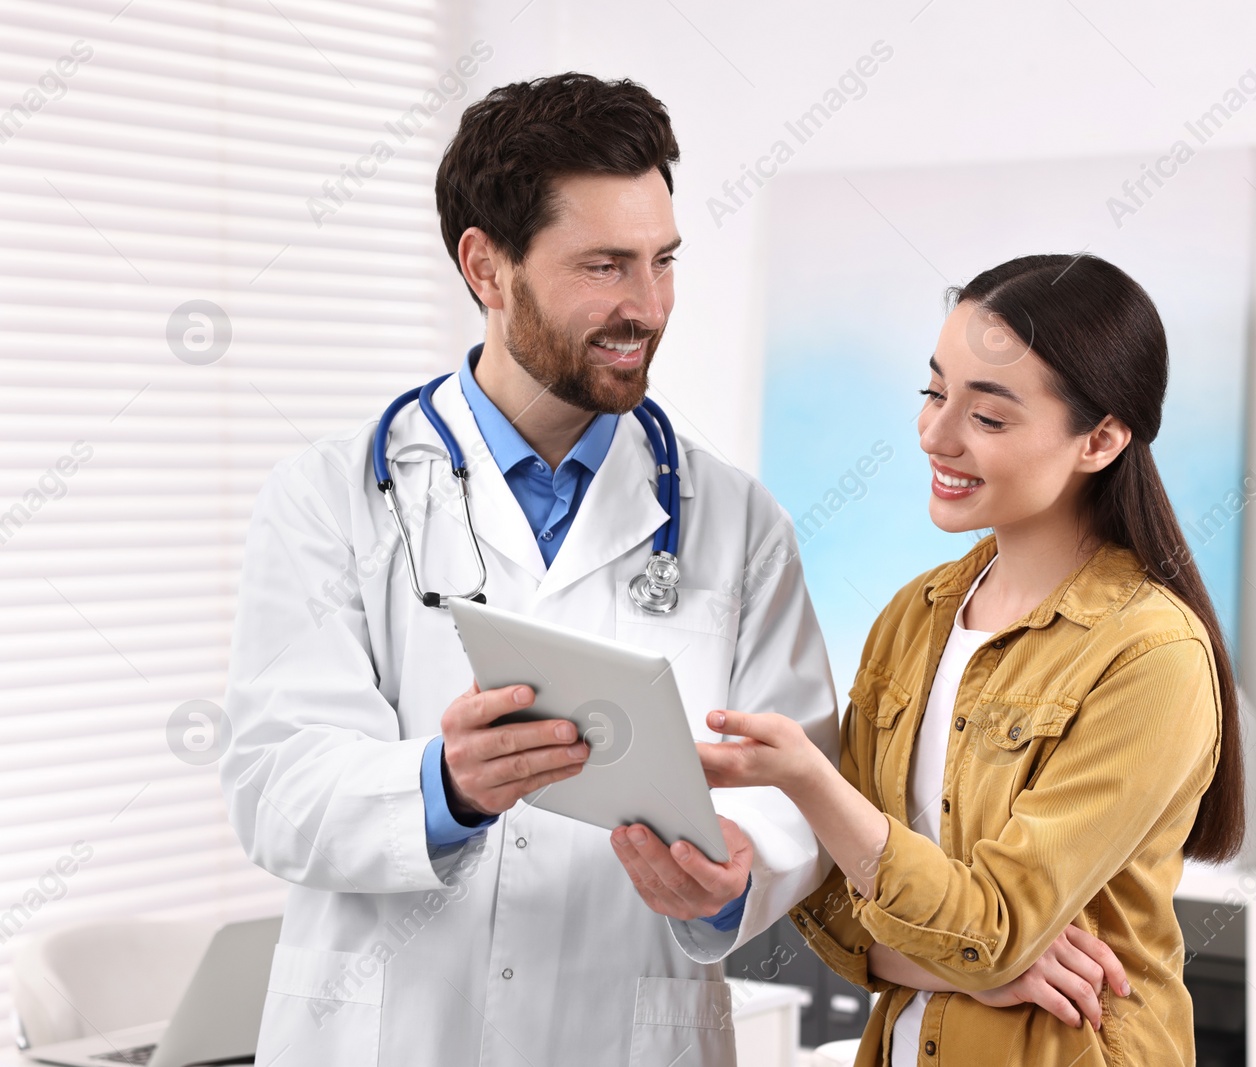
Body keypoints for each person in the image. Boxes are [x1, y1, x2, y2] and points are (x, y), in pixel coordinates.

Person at [220, 74, 841, 1067]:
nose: (647, 306)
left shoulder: (735, 522)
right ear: (486, 266)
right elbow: (275, 781)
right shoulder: (331, 498)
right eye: (604, 266)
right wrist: (441, 782)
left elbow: (799, 776)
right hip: (389, 1033)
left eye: (663, 262)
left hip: (627, 1031)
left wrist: (739, 868)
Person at [698, 253, 1247, 1066]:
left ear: (1100, 439)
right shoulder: (914, 617)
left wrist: (805, 780)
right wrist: (963, 962)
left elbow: (991, 926)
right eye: (933, 392)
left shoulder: (1151, 656)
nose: (935, 434)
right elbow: (836, 907)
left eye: (988, 418)